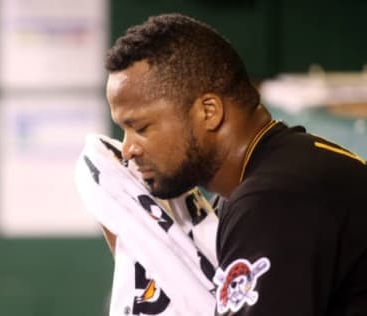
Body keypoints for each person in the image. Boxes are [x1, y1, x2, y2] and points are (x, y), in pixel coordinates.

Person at [103, 13, 367, 316]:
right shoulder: (288, 170)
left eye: (141, 127)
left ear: (208, 111)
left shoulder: (275, 200)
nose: (128, 149)